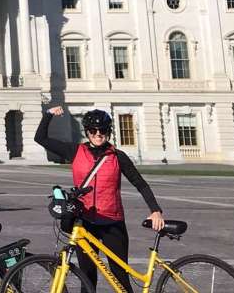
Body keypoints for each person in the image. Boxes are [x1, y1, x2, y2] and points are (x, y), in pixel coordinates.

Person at [36, 106, 164, 293]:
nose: (98, 134)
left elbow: (140, 184)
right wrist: (48, 115)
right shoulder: (75, 151)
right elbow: (41, 138)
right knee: (87, 277)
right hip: (85, 221)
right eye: (93, 131)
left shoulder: (118, 157)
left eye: (102, 130)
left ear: (108, 132)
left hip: (112, 222)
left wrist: (155, 210)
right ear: (87, 132)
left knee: (119, 276)